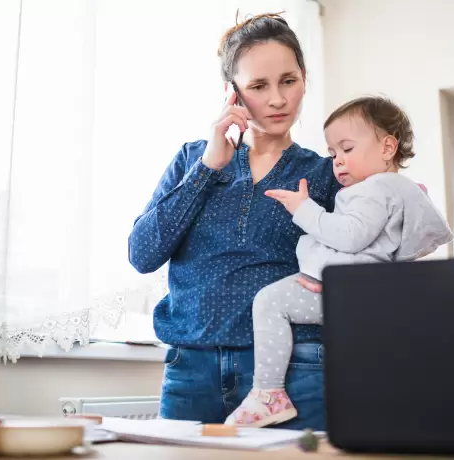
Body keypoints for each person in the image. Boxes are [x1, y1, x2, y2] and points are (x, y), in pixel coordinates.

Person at [128, 13, 339, 430]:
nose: (278, 99)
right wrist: (208, 167)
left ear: (303, 79)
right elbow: (142, 254)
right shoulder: (192, 159)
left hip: (293, 371)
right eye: (259, 86)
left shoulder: (326, 174)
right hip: (190, 370)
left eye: (289, 80)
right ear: (233, 94)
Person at [224, 96, 454, 427]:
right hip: (358, 292)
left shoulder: (374, 189)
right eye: (333, 153)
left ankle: (269, 394)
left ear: (388, 148)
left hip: (344, 290)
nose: (338, 161)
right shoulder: (394, 189)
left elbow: (350, 235)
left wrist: (303, 209)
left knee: (269, 302)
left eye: (347, 148)